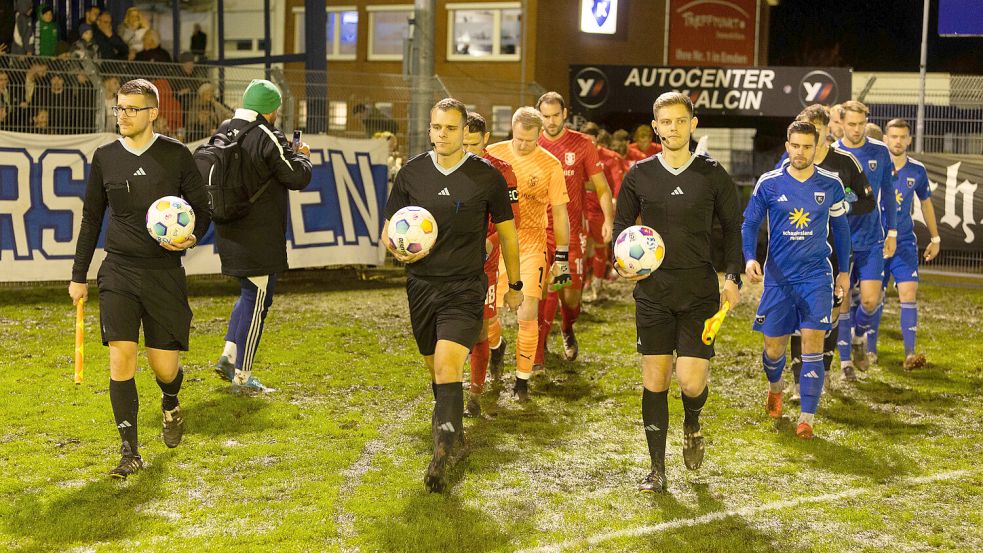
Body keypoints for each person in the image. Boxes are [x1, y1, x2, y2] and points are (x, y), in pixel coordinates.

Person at [69, 79, 212, 479]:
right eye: (119, 108)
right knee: (121, 358)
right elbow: (92, 218)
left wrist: (190, 236)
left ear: (153, 112)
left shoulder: (176, 155)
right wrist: (78, 276)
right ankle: (129, 451)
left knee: (164, 367)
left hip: (164, 273)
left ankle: (170, 401)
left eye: (132, 109)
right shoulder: (105, 157)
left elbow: (203, 207)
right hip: (119, 271)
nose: (123, 115)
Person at [382, 98, 522, 492]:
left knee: (447, 365)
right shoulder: (412, 173)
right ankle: (453, 430)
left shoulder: (486, 177)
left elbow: (508, 234)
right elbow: (391, 228)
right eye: (436, 127)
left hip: (465, 286)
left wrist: (515, 284)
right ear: (429, 129)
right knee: (435, 368)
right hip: (421, 285)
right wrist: (396, 247)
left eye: (450, 128)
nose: (442, 134)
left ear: (465, 133)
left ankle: (443, 451)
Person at [611, 92, 742, 493]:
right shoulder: (639, 174)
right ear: (656, 127)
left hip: (700, 292)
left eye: (680, 121)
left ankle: (692, 421)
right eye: (665, 122)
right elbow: (620, 227)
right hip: (653, 292)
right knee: (656, 378)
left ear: (693, 124)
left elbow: (734, 229)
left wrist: (732, 278)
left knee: (690, 381)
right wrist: (623, 262)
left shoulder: (713, 174)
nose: (672, 128)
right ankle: (656, 469)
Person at [743, 121, 852, 440]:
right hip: (778, 279)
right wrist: (750, 257)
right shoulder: (769, 183)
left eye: (807, 146)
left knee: (812, 345)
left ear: (817, 148)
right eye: (795, 145)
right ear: (787, 145)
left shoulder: (830, 183)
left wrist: (843, 271)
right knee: (773, 349)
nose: (800, 152)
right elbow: (750, 222)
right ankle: (776, 388)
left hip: (816, 277)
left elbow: (842, 230)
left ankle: (807, 417)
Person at [212, 80, 313, 392]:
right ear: (272, 110)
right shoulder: (266, 133)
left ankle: (229, 356)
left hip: (229, 227)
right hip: (259, 234)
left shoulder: (226, 127)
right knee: (258, 302)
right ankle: (242, 377)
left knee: (248, 294)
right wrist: (304, 157)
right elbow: (295, 176)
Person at [779, 104, 875, 401]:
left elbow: (867, 201)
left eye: (816, 131)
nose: (810, 138)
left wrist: (843, 207)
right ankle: (798, 382)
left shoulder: (845, 163)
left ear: (825, 131)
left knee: (832, 311)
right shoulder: (787, 164)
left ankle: (825, 368)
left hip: (834, 251)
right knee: (800, 316)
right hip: (798, 251)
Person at [487, 107, 571, 401]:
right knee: (486, 315)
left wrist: (562, 255)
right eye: (519, 139)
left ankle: (522, 381)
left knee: (527, 311)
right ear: (512, 130)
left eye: (530, 141)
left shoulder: (550, 165)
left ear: (540, 136)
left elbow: (561, 213)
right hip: (496, 245)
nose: (523, 145)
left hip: (531, 246)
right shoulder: (492, 155)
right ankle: (497, 348)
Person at [535, 92, 614, 364]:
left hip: (570, 235)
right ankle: (539, 346)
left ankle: (567, 328)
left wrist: (609, 221)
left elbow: (602, 187)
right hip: (539, 233)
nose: (551, 121)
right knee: (544, 289)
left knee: (569, 295)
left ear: (565, 113)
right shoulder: (532, 143)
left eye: (556, 115)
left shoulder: (582, 144)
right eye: (545, 116)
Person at [866, 118, 942, 370]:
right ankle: (869, 350)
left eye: (902, 137)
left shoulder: (917, 170)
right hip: (876, 241)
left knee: (908, 293)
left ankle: (910, 354)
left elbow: (926, 203)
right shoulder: (874, 166)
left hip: (905, 243)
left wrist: (935, 237)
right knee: (873, 298)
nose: (898, 141)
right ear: (885, 139)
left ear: (909, 140)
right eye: (893, 136)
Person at [832, 100, 897, 380]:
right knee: (842, 300)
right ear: (842, 123)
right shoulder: (832, 153)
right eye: (851, 124)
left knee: (870, 301)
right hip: (840, 240)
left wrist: (891, 232)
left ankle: (860, 336)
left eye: (861, 124)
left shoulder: (880, 152)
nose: (856, 129)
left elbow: (890, 195)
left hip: (871, 240)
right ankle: (846, 362)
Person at [461, 111, 519, 417]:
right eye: (463, 143)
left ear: (486, 140)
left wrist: (490, 242)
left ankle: (475, 394)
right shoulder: (445, 164)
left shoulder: (502, 172)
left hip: (485, 263)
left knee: (479, 329)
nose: (467, 150)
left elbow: (513, 220)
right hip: (451, 261)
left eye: (473, 144)